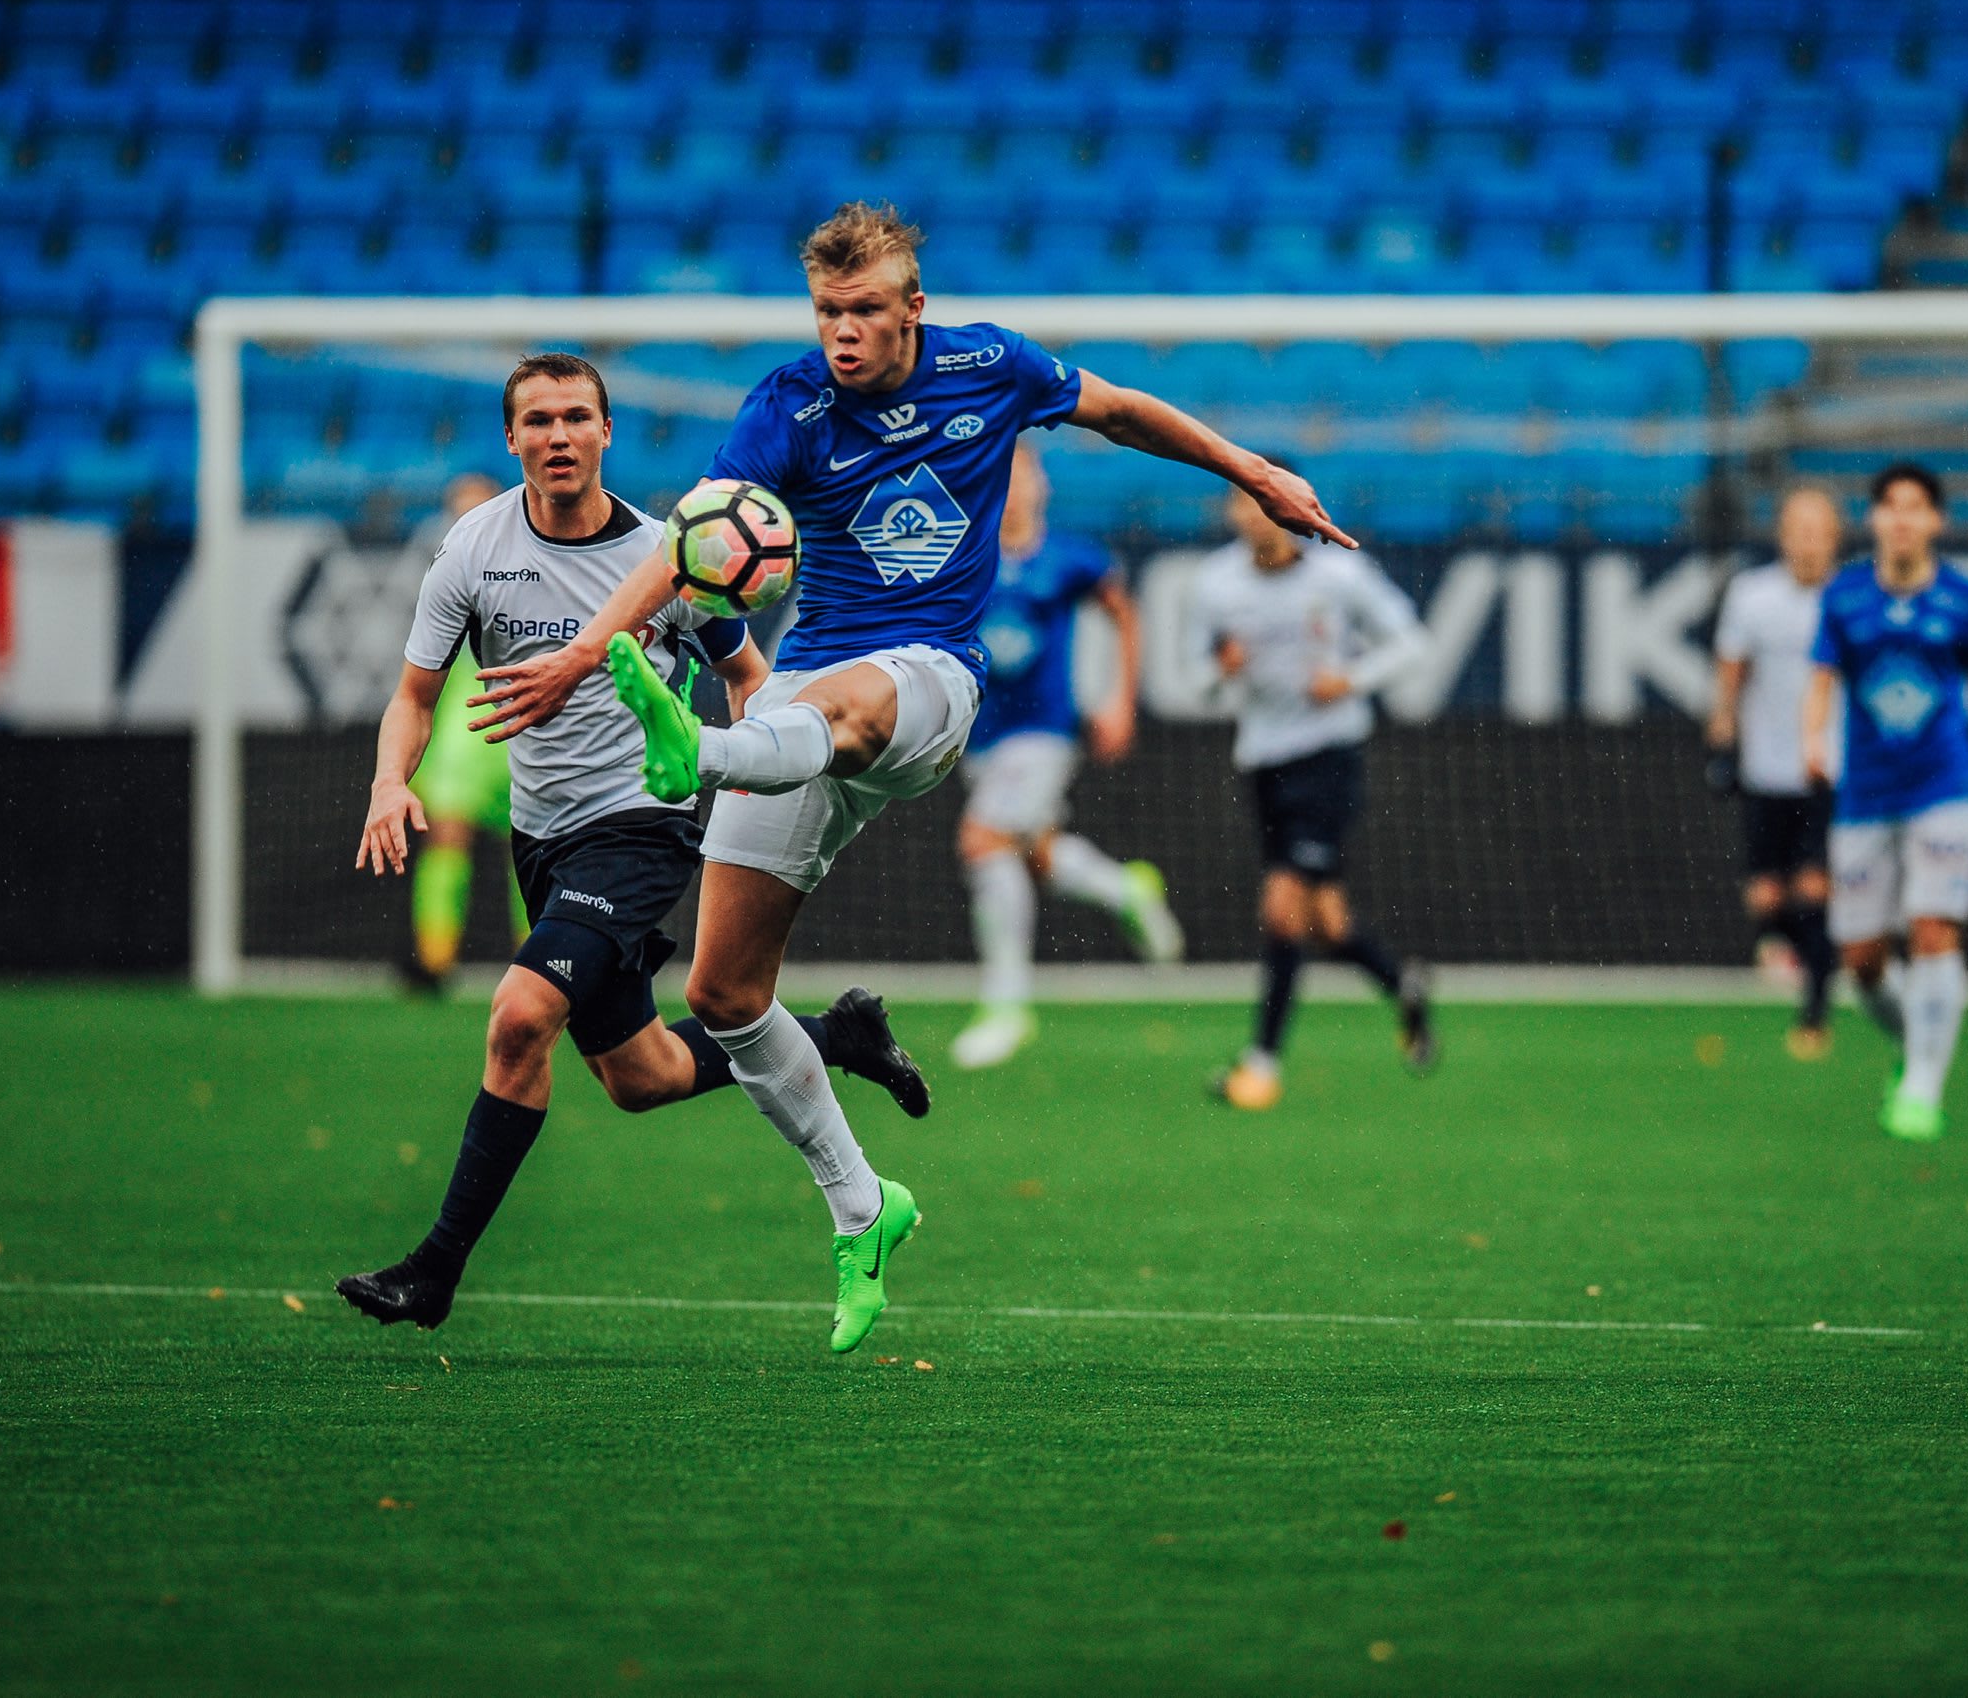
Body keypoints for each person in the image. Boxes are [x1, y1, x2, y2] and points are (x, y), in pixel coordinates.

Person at [468, 203, 1356, 1352]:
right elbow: (689, 533)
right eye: (827, 312)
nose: (842, 333)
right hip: (804, 691)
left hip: (929, 681)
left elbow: (1123, 411)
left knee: (842, 706)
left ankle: (701, 752)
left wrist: (1252, 469)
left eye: (865, 311)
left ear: (913, 309)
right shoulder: (790, 404)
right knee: (725, 994)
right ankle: (862, 1206)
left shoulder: (991, 365)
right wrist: (590, 650)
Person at [336, 354, 929, 1333]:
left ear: (607, 432)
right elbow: (413, 695)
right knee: (641, 1077)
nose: (558, 436)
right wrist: (389, 782)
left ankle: (434, 1270)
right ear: (512, 438)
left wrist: (748, 769)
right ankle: (842, 1035)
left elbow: (749, 679)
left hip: (642, 827)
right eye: (538, 420)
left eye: (577, 417)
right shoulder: (473, 549)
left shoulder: (675, 558)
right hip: (542, 837)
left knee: (520, 1016)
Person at [1184, 468, 1435, 1113]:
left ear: (1289, 508)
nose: (1253, 515)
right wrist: (1219, 672)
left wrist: (1351, 679)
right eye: (1241, 502)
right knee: (1327, 924)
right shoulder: (1215, 583)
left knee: (1282, 909)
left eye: (1263, 502)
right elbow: (1194, 681)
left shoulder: (1339, 575)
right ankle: (1403, 983)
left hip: (1329, 754)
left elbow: (1411, 642)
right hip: (1263, 759)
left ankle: (1261, 1065)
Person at [1804, 461, 1968, 1144]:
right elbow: (1821, 678)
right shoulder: (1845, 597)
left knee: (1933, 931)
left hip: (1945, 786)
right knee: (1862, 961)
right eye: (1891, 506)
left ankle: (1923, 1087)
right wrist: (1812, 739)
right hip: (1866, 793)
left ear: (1936, 520)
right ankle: (1919, 1045)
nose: (1902, 519)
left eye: (1915, 507)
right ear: (1873, 519)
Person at [951, 437, 1183, 1071]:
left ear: (1041, 487)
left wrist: (1119, 700)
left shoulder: (1068, 557)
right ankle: (1125, 889)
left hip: (1045, 731)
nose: (1011, 491)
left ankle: (1006, 1006)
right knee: (1036, 856)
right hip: (981, 734)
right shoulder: (964, 557)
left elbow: (1122, 612)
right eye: (999, 477)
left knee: (983, 842)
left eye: (1021, 477)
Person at [1707, 486, 1844, 1060]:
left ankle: (1814, 1011)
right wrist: (1722, 742)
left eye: (1818, 532)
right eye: (1798, 531)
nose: (1807, 544)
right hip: (1766, 769)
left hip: (1830, 769)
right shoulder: (1752, 596)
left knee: (1813, 889)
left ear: (1835, 538)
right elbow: (1731, 675)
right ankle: (1810, 959)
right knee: (1766, 898)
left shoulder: (1851, 598)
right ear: (1782, 537)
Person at [403, 470, 524, 991]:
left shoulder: (530, 562)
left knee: (531, 844)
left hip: (524, 716)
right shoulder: (444, 569)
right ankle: (434, 959)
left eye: (476, 508)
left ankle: (538, 960)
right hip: (463, 723)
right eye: (458, 510)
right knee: (448, 834)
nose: (465, 519)